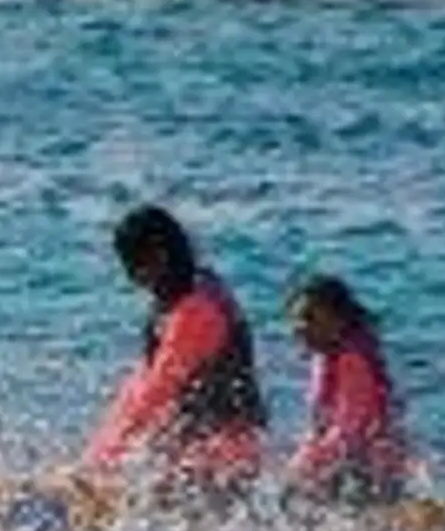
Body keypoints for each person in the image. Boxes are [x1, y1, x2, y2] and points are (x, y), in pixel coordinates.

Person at [77, 204, 268, 500]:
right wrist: (97, 455)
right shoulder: (190, 290)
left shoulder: (196, 313)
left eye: (133, 266)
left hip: (225, 458)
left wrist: (101, 462)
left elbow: (157, 392)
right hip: (200, 451)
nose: (131, 278)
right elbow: (141, 385)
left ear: (159, 257)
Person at [282, 273, 414, 505]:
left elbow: (350, 430)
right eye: (295, 320)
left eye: (309, 319)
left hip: (371, 472)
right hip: (351, 463)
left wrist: (305, 466)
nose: (298, 328)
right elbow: (323, 424)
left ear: (338, 320)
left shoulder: (354, 362)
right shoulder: (327, 352)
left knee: (293, 499)